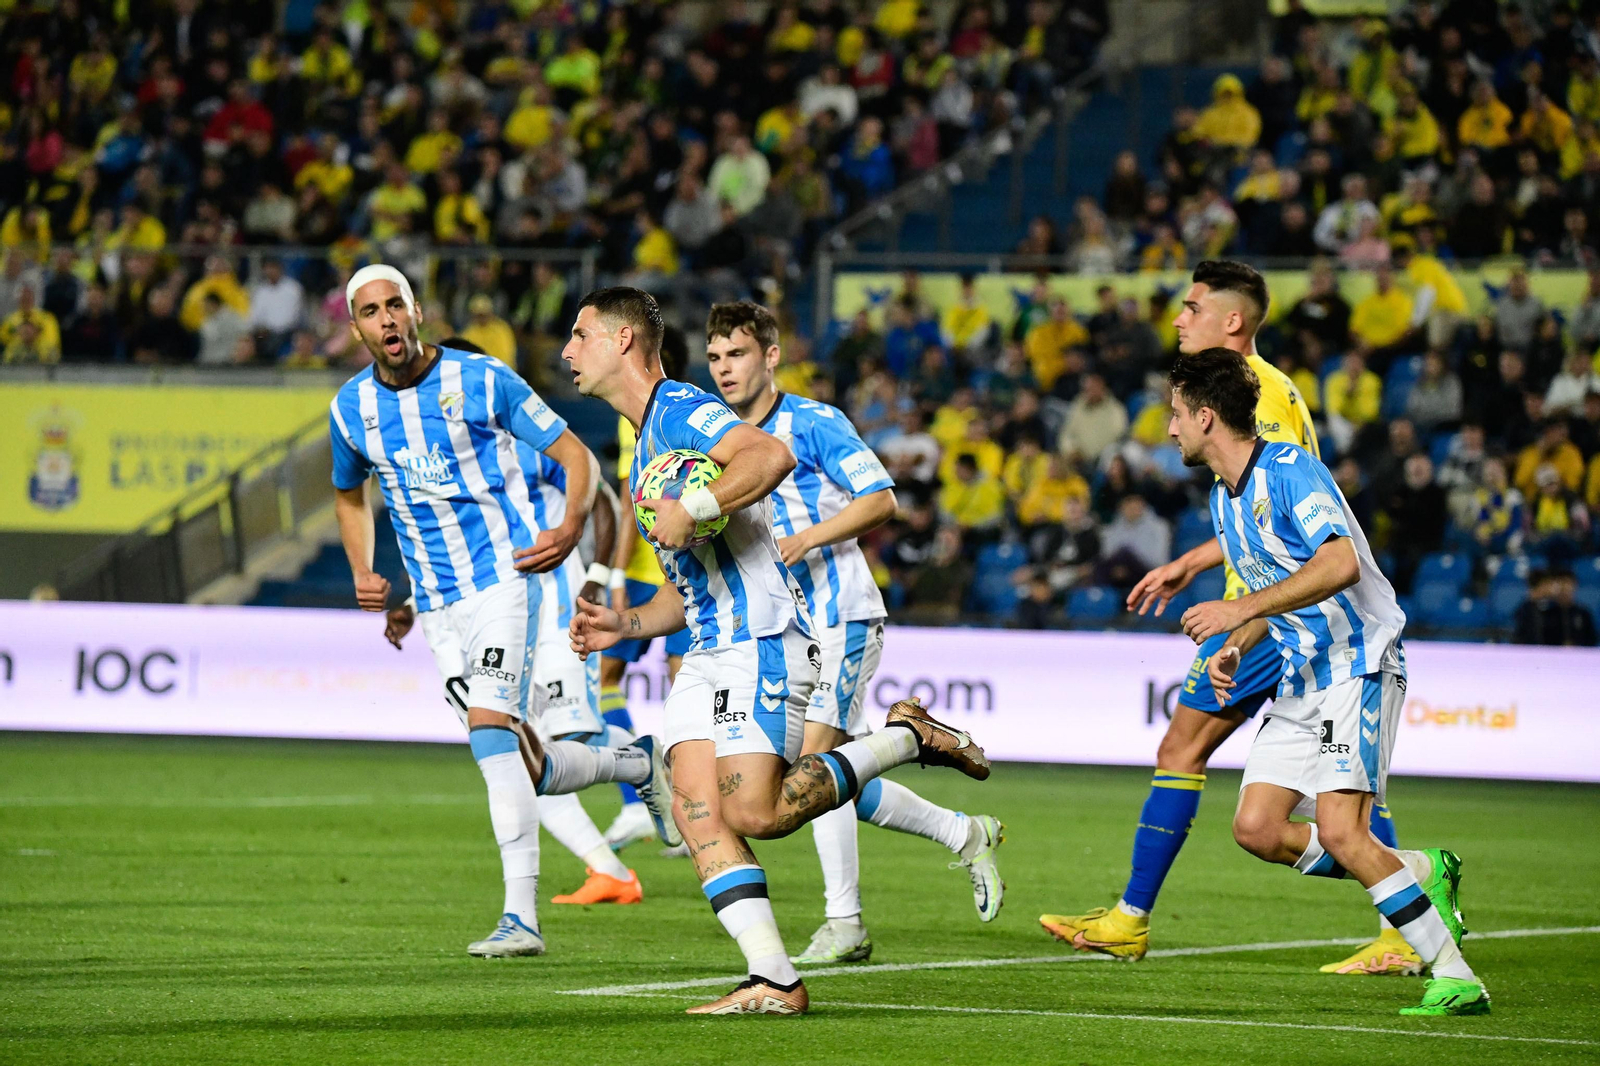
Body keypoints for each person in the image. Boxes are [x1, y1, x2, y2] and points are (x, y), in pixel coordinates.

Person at [563, 287, 991, 1016]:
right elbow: (688, 587)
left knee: (758, 813)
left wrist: (696, 506)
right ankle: (775, 978)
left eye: (579, 335)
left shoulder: (679, 409)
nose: (567, 351)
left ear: (623, 340)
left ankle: (903, 737)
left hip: (760, 642)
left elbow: (769, 453)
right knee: (696, 810)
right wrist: (626, 626)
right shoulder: (645, 445)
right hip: (707, 647)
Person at [1040, 260, 1418, 979]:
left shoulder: (1259, 396)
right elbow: (1250, 505)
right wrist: (1194, 560)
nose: (1179, 320)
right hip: (1262, 602)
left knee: (1198, 751)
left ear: (1232, 322)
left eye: (1191, 308)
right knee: (1274, 781)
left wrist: (1241, 608)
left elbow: (1293, 507)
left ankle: (1135, 917)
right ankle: (1397, 903)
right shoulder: (1257, 389)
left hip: (1283, 609)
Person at [328, 266, 676, 960]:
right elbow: (350, 493)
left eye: (396, 303)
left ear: (417, 310)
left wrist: (571, 529)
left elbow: (578, 457)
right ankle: (637, 765)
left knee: (494, 739)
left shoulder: (480, 381)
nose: (387, 319)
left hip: (504, 586)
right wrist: (369, 573)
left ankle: (522, 917)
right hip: (436, 608)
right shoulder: (350, 410)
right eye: (371, 311)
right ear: (357, 327)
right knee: (529, 764)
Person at [1172, 347, 1489, 1018]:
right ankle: (1419, 870)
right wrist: (1238, 642)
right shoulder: (1222, 500)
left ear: (1206, 417)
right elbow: (1276, 588)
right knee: (1257, 828)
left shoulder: (1290, 470)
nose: (1170, 429)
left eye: (1176, 414)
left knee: (1344, 832)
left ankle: (1454, 973)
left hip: (1359, 662)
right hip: (1303, 674)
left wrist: (1239, 610)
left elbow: (1340, 562)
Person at [706, 300, 1005, 965]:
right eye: (717, 358)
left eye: (740, 355)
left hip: (838, 613)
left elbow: (881, 499)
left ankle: (846, 923)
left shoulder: (813, 423)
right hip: (776, 632)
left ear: (772, 356)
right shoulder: (717, 438)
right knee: (807, 781)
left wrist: (807, 537)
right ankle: (963, 833)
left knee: (810, 771)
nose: (727, 369)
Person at [383, 336, 645, 908]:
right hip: (494, 616)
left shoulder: (525, 445)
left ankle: (650, 763)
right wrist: (410, 602)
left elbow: (601, 497)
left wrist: (597, 573)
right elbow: (458, 550)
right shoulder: (454, 467)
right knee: (517, 752)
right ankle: (610, 868)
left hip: (555, 606)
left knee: (573, 738)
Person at [597, 326, 694, 853]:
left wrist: (614, 574)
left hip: (667, 569)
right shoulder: (633, 419)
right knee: (608, 678)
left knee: (684, 694)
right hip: (642, 567)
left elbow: (638, 502)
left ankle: (678, 806)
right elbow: (627, 497)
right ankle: (642, 803)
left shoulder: (671, 417)